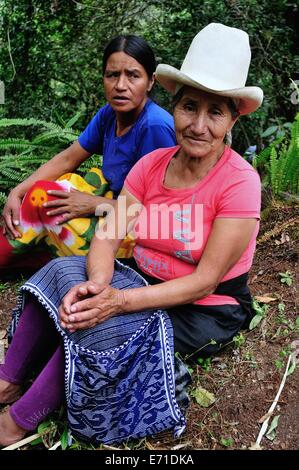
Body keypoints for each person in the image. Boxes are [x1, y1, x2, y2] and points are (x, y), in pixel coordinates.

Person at [0, 23, 263, 447]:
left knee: (104, 326)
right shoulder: (152, 165)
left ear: (233, 119)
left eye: (215, 112)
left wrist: (116, 302)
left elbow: (205, 280)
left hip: (205, 307)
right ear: (173, 105)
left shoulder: (239, 182)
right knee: (60, 274)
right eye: (189, 107)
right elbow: (107, 235)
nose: (198, 125)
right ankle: (8, 380)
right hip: (142, 276)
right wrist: (98, 286)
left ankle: (19, 418)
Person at [0, 35, 175, 274]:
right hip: (114, 206)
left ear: (150, 81)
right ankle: (35, 252)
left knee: (44, 200)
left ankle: (27, 253)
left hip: (136, 234)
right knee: (57, 187)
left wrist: (95, 204)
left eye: (133, 75)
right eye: (112, 75)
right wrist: (17, 191)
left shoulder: (154, 126)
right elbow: (68, 159)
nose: (120, 85)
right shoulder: (109, 115)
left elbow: (163, 214)